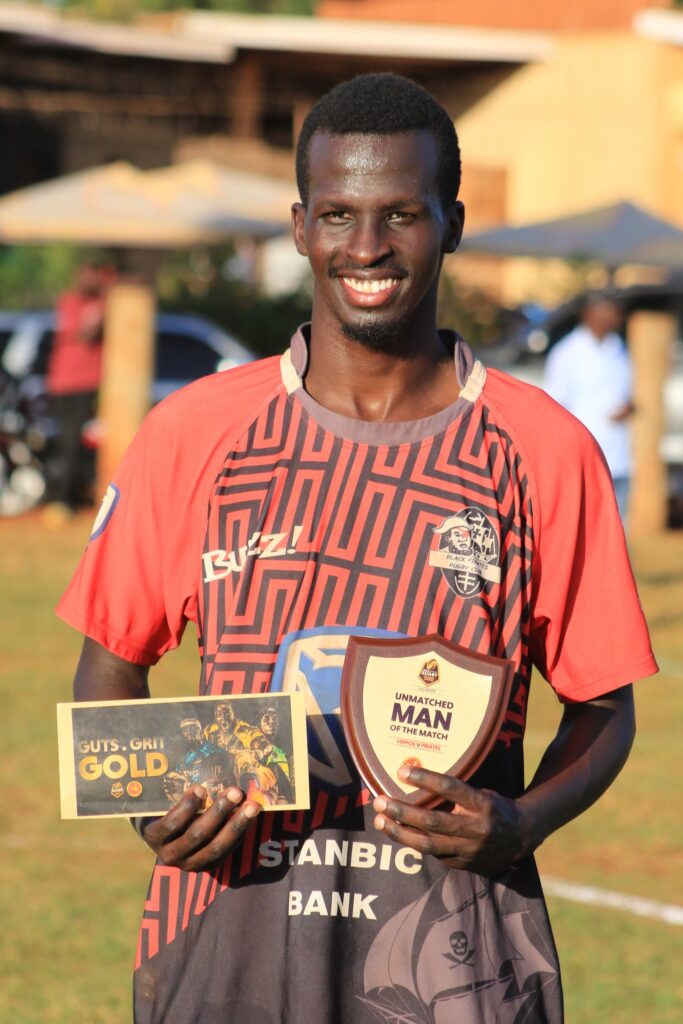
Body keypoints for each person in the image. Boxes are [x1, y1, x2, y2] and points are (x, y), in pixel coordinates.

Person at [57, 74, 656, 1024]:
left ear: (451, 225)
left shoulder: (542, 449)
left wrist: (522, 821)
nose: (366, 246)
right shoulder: (196, 433)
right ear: (301, 228)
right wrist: (154, 803)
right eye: (338, 214)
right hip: (225, 939)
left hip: (453, 958)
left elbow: (605, 706)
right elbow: (109, 664)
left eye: (401, 215)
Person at [543, 292, 634, 522]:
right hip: (584, 457)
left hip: (618, 456)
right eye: (610, 309)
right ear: (590, 314)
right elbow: (555, 407)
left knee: (617, 528)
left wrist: (629, 407)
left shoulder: (619, 348)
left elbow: (626, 393)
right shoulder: (567, 353)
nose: (617, 315)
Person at [43, 263, 111, 523]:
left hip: (88, 382)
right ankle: (61, 499)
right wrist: (105, 298)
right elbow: (86, 333)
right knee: (67, 441)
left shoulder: (98, 302)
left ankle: (73, 496)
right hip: (66, 383)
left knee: (80, 442)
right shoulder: (71, 303)